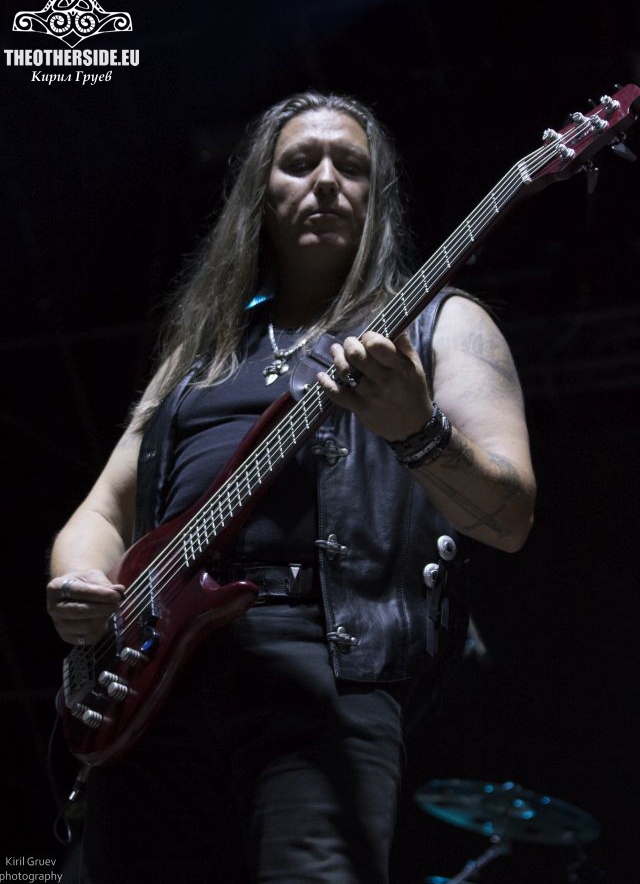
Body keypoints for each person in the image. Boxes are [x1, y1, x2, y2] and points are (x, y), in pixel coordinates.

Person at [46, 91, 536, 884]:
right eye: (300, 163)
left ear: (378, 196)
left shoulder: (440, 324)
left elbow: (509, 519)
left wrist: (415, 430)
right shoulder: (202, 352)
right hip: (156, 682)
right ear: (260, 195)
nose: (326, 181)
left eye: (351, 166)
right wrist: (79, 585)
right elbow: (104, 508)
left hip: (327, 674)